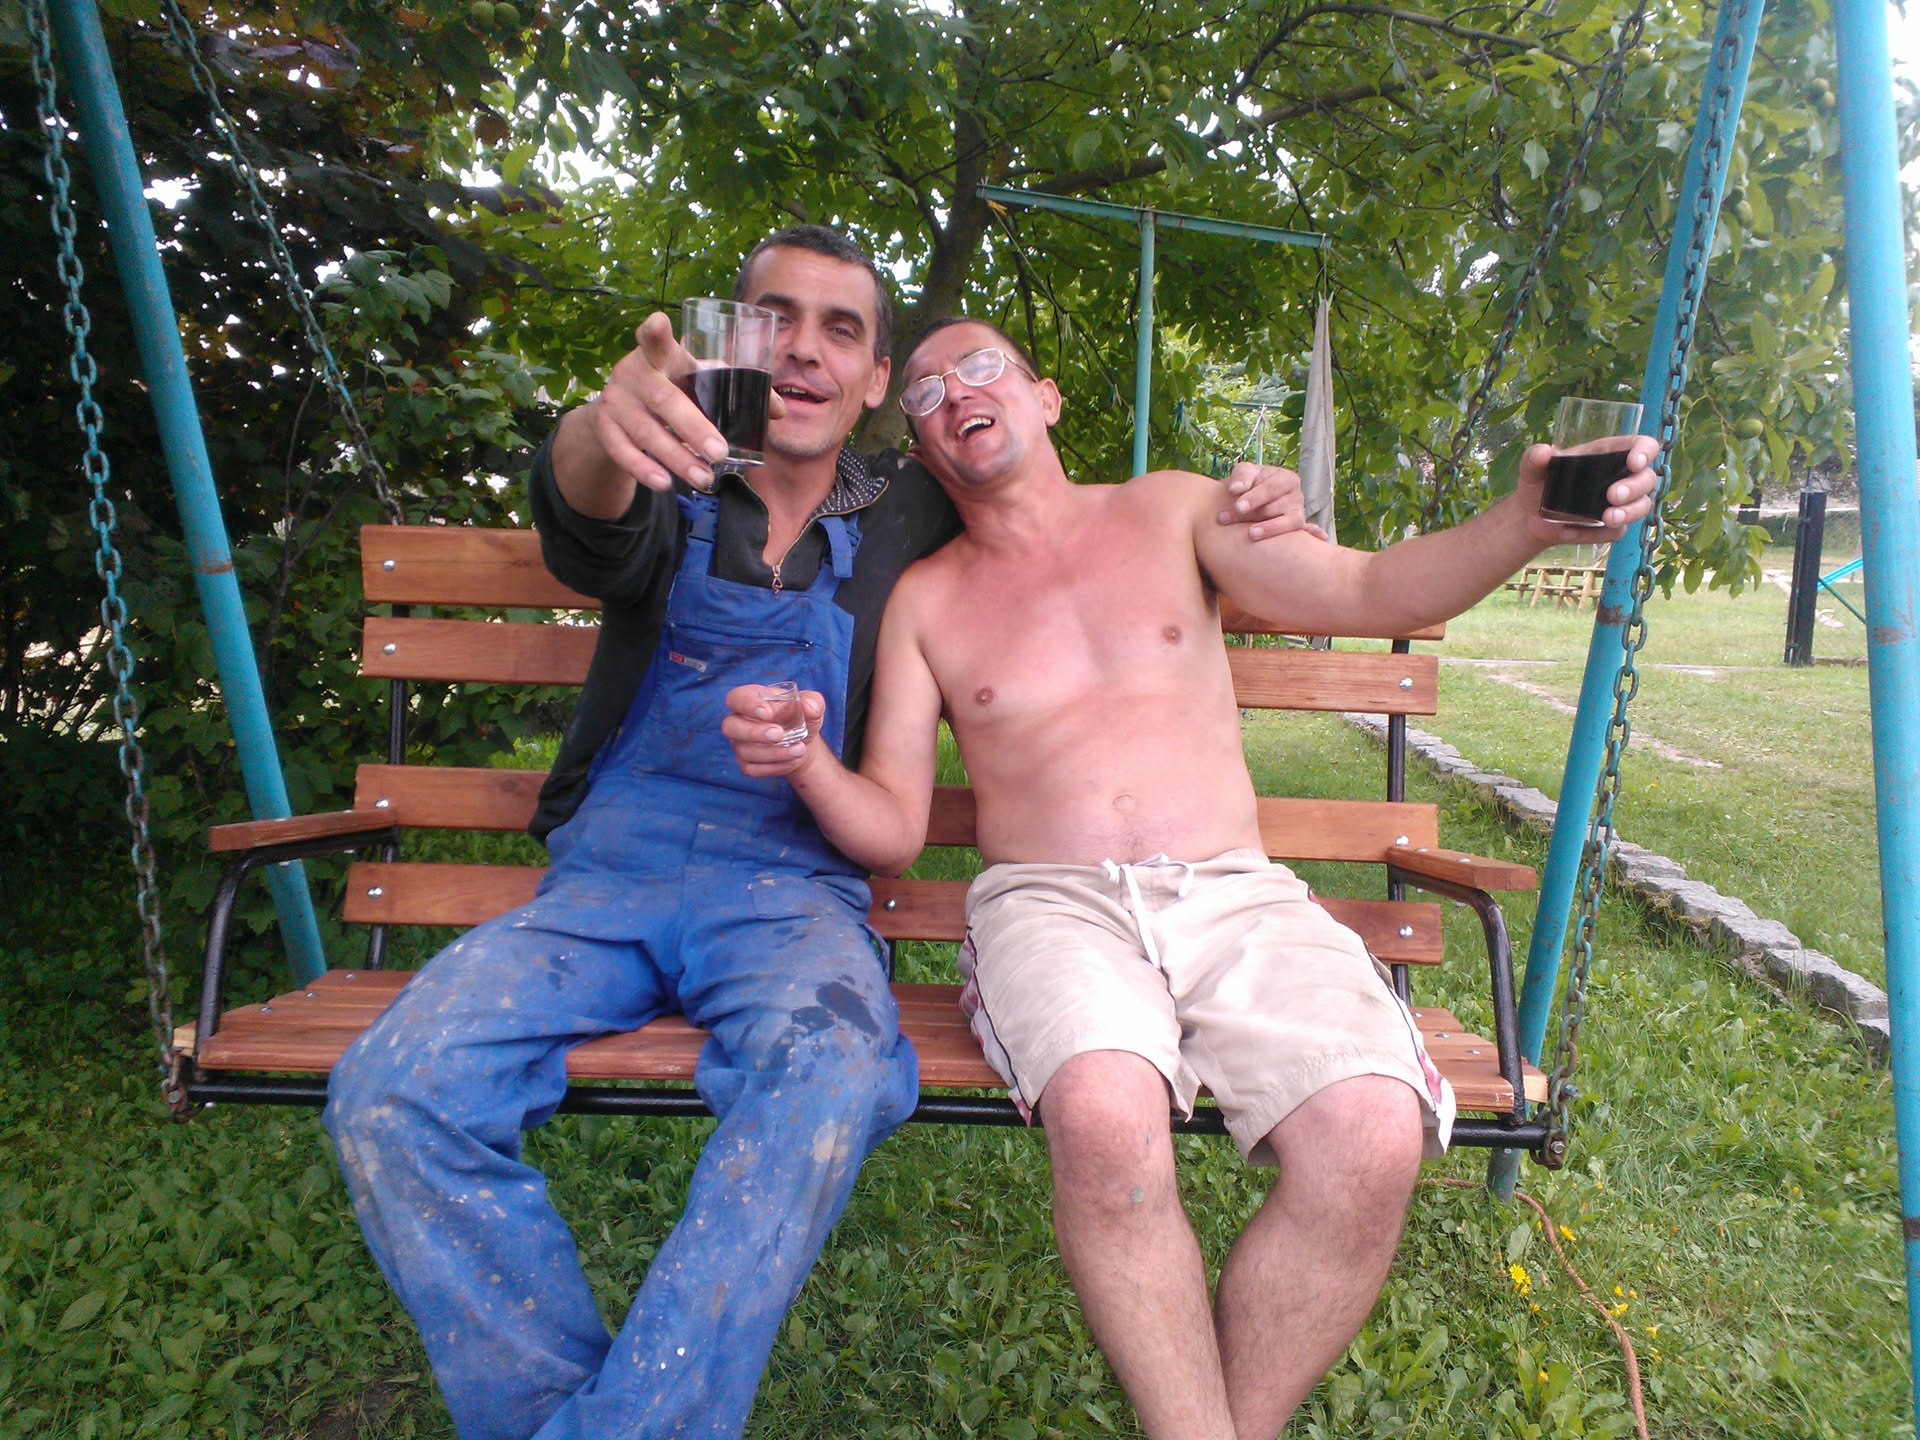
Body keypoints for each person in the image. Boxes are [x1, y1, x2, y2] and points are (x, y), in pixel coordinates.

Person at [321, 230, 1314, 1440]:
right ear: (732, 344)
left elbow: (1059, 517)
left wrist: (1258, 501)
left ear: (878, 379)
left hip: (793, 891)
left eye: (840, 330)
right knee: (390, 1090)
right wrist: (598, 427)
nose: (802, 350)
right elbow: (584, 516)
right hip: (606, 882)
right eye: (773, 319)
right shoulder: (670, 467)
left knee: (833, 1070)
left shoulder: (916, 511)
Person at [721, 317, 1660, 1440]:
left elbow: (1372, 591)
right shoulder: (926, 600)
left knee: (1371, 1133)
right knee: (1104, 1115)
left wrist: (1526, 517)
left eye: (980, 366)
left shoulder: (1175, 511)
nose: (954, 391)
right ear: (921, 444)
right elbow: (892, 830)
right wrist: (807, 763)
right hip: (1050, 906)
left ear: (1045, 396)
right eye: (923, 390)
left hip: (1234, 894)